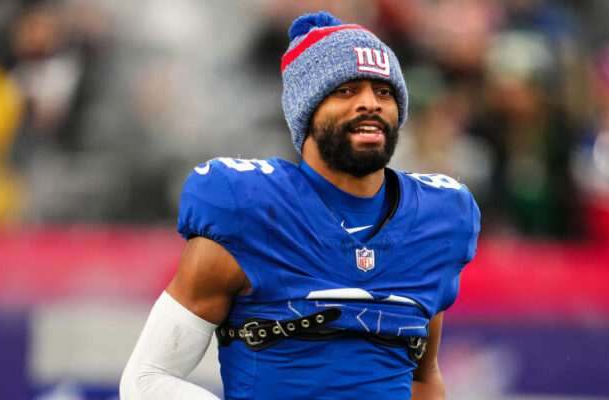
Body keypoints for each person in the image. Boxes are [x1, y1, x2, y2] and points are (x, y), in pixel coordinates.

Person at [120, 11, 480, 400]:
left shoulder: (439, 220)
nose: (370, 103)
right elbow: (146, 379)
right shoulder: (250, 212)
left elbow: (421, 377)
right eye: (346, 90)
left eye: (384, 91)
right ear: (307, 111)